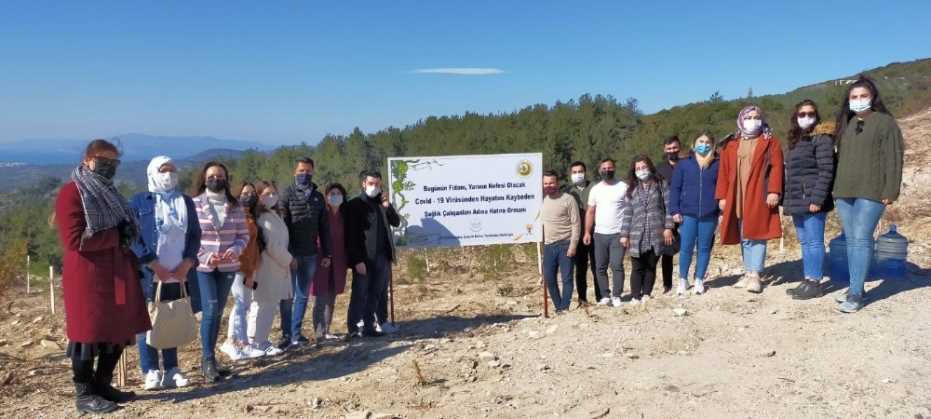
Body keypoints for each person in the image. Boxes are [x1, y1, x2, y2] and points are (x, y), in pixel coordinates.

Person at [55, 139, 150, 414]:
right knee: (88, 333)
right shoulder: (72, 192)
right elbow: (74, 239)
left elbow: (125, 226)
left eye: (114, 163)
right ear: (87, 159)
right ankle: (84, 393)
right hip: (87, 275)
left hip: (117, 270)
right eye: (103, 161)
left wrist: (129, 233)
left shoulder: (111, 192)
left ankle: (103, 384)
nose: (109, 167)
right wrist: (116, 235)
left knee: (118, 330)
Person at [831, 76, 903, 313]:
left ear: (873, 98)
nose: (859, 100)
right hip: (845, 191)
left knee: (861, 239)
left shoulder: (885, 122)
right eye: (854, 97)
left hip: (872, 190)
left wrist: (890, 189)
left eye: (863, 96)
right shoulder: (848, 123)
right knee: (852, 241)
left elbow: (894, 157)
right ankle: (856, 286)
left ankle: (856, 294)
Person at [130, 156, 200, 391]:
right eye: (163, 170)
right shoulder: (140, 202)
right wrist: (151, 262)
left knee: (171, 317)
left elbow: (194, 235)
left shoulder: (186, 202)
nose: (168, 174)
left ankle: (171, 370)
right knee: (146, 320)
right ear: (152, 173)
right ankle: (150, 371)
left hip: (178, 272)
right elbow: (132, 236)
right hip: (149, 274)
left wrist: (188, 262)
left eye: (172, 170)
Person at [191, 161, 250, 383]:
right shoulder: (194, 204)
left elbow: (243, 235)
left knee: (218, 313)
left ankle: (213, 358)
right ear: (204, 179)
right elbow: (191, 237)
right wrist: (204, 255)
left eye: (220, 176)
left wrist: (234, 251)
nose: (216, 179)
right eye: (212, 176)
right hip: (204, 266)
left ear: (226, 178)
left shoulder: (235, 206)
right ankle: (206, 360)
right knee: (211, 308)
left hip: (227, 266)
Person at [715, 105, 784, 293]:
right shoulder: (731, 144)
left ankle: (755, 274)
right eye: (749, 117)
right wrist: (721, 196)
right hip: (737, 194)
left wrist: (774, 191)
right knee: (744, 234)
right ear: (741, 120)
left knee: (758, 234)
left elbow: (777, 168)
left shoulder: (770, 142)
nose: (753, 120)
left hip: (759, 193)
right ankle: (747, 272)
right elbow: (723, 172)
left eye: (756, 117)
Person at [783, 100, 836, 301]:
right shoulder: (796, 139)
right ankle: (807, 278)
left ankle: (815, 282)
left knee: (814, 242)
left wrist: (817, 198)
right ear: (795, 117)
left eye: (810, 113)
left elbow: (826, 171)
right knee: (804, 241)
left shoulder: (822, 138)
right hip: (796, 198)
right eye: (802, 114)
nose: (806, 117)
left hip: (813, 199)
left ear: (816, 115)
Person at [280, 157, 332, 348]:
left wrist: (327, 253)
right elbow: (283, 227)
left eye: (308, 171)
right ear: (295, 172)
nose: (305, 174)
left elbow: (324, 228)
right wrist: (289, 254)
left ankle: (296, 333)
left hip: (310, 253)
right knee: (287, 296)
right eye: (301, 170)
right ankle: (285, 336)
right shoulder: (286, 195)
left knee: (302, 296)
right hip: (290, 254)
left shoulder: (318, 197)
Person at [345, 171, 401, 339]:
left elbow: (396, 222)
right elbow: (351, 236)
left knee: (377, 292)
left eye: (377, 184)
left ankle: (370, 326)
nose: (374, 187)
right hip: (364, 258)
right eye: (371, 183)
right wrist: (357, 260)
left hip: (382, 256)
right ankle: (354, 327)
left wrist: (387, 205)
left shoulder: (381, 203)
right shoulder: (354, 205)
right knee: (360, 292)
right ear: (363, 184)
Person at [669, 134, 720, 296]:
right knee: (686, 248)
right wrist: (675, 210)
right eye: (701, 142)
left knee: (704, 249)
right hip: (688, 213)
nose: (704, 145)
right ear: (693, 144)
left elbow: (721, 188)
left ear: (712, 145)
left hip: (709, 213)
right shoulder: (684, 165)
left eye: (707, 142)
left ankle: (699, 279)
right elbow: (675, 189)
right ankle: (683, 280)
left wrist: (720, 211)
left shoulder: (717, 164)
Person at [620, 156, 675, 304]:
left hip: (656, 232)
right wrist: (624, 235)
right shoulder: (631, 189)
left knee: (651, 265)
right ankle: (635, 296)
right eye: (638, 168)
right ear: (634, 171)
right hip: (637, 233)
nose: (641, 171)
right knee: (637, 266)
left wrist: (668, 227)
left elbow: (669, 207)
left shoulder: (661, 184)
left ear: (650, 167)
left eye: (643, 167)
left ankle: (646, 293)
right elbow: (627, 213)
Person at [220, 182, 265, 361]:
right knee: (240, 305)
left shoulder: (250, 216)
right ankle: (238, 343)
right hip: (238, 267)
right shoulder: (235, 216)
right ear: (237, 195)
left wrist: (251, 269)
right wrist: (247, 271)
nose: (249, 196)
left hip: (247, 267)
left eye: (252, 193)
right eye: (245, 193)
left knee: (243, 305)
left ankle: (237, 341)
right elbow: (241, 247)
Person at [249, 181, 292, 354]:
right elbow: (272, 244)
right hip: (268, 266)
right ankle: (259, 341)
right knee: (264, 304)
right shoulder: (262, 217)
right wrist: (289, 260)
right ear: (258, 196)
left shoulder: (274, 214)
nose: (271, 197)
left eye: (274, 193)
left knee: (266, 303)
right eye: (266, 194)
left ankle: (256, 340)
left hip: (275, 266)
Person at [583, 159, 629, 307]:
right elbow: (590, 212)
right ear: (599, 170)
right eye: (604, 168)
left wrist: (627, 233)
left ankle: (617, 296)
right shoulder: (595, 189)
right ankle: (605, 296)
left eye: (610, 167)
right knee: (600, 267)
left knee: (616, 265)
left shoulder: (623, 187)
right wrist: (587, 232)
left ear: (614, 168)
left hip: (618, 233)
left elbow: (630, 210)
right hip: (599, 234)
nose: (607, 170)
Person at [311, 184, 349, 340]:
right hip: (322, 261)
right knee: (321, 298)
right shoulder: (322, 214)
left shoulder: (344, 215)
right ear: (326, 197)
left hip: (339, 261)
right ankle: (318, 333)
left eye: (338, 193)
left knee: (331, 298)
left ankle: (327, 330)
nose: (335, 196)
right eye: (332, 193)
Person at [541, 170, 580, 313]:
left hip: (565, 244)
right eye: (545, 183)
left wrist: (573, 245)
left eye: (551, 182)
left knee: (567, 279)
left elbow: (576, 223)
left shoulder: (568, 199)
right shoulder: (541, 200)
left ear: (557, 183)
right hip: (548, 246)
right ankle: (558, 307)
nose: (548, 185)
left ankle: (565, 307)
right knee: (549, 279)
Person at [563, 161, 600, 304]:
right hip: (577, 236)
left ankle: (600, 296)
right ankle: (582, 298)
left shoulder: (595, 187)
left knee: (598, 267)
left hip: (595, 232)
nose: (578, 174)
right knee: (580, 269)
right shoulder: (567, 191)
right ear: (570, 174)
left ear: (585, 172)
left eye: (580, 171)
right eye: (574, 172)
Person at [655, 136, 683, 294]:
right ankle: (667, 284)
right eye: (669, 148)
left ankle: (688, 280)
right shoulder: (659, 169)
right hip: (666, 214)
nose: (672, 151)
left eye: (675, 147)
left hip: (685, 212)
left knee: (688, 246)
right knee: (667, 250)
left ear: (679, 148)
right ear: (664, 150)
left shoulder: (686, 164)